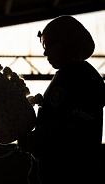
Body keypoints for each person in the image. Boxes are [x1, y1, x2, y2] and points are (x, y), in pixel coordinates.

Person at [18, 15, 105, 184]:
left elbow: (77, 124)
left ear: (68, 45)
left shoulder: (82, 77)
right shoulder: (67, 76)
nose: (45, 52)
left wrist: (35, 138)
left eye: (49, 45)